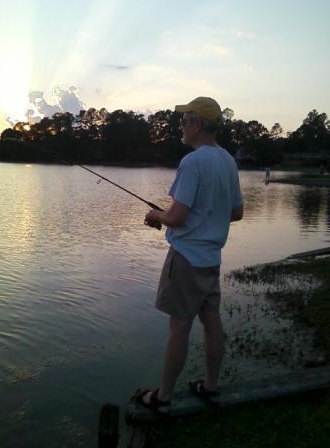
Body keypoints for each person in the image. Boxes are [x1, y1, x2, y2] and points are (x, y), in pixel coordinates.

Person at [136, 97, 243, 415]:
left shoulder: (193, 162)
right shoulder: (228, 161)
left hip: (185, 260)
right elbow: (236, 212)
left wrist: (157, 215)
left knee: (179, 328)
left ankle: (163, 399)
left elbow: (178, 216)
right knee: (212, 324)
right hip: (211, 260)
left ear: (198, 124)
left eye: (184, 121)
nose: (181, 126)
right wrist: (202, 217)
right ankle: (210, 387)